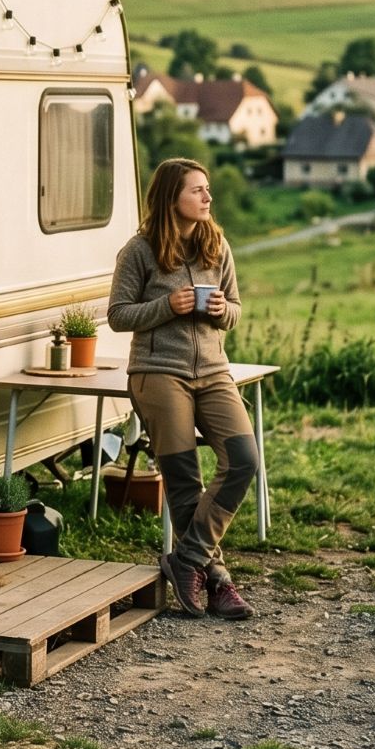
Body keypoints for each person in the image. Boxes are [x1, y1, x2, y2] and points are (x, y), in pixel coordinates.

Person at [107, 157, 257, 621]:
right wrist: (167, 305)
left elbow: (235, 308)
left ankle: (188, 560)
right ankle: (219, 581)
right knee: (184, 478)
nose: (208, 197)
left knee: (244, 460)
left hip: (212, 372)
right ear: (172, 198)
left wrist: (222, 312)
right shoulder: (139, 251)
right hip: (157, 372)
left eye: (207, 189)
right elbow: (118, 315)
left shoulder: (217, 245)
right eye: (198, 190)